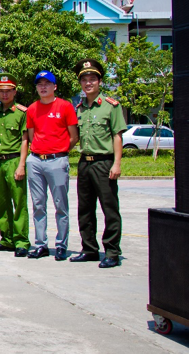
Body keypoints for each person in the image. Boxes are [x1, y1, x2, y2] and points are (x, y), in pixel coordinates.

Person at [71, 59, 125, 269]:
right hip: (84, 162)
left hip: (104, 163)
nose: (88, 83)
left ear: (100, 81)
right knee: (85, 209)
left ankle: (112, 251)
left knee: (109, 208)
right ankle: (89, 249)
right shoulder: (80, 108)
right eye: (84, 79)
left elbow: (117, 136)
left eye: (92, 79)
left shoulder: (111, 106)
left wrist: (117, 164)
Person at [25, 70, 79, 261]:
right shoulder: (32, 109)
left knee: (60, 205)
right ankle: (41, 244)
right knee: (38, 205)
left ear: (54, 86)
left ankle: (61, 245)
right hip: (36, 160)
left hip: (57, 160)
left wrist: (61, 151)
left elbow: (74, 136)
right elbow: (31, 135)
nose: (43, 87)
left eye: (47, 83)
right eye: (40, 84)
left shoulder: (65, 106)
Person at [0, 74, 30, 257]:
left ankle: (21, 240)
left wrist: (21, 165)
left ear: (14, 91)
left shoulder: (21, 112)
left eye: (8, 91)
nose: (4, 95)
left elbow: (25, 140)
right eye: (1, 91)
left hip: (14, 160)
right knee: (2, 202)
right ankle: (6, 238)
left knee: (19, 202)